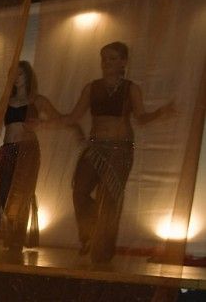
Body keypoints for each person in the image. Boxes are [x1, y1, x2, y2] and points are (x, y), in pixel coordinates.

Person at [62, 41, 173, 263]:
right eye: (104, 58)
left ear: (123, 62)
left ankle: (102, 253)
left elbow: (141, 118)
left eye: (112, 58)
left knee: (109, 199)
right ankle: (90, 233)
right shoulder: (91, 87)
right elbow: (73, 117)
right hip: (95, 147)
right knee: (80, 191)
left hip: (119, 149)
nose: (106, 63)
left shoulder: (131, 88)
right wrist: (45, 122)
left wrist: (160, 113)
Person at [0, 61, 61, 252]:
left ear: (27, 76)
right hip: (7, 149)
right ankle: (10, 235)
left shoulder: (37, 100)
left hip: (28, 150)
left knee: (22, 193)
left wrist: (41, 124)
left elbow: (58, 119)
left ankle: (17, 239)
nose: (16, 78)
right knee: (6, 192)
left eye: (20, 74)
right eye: (13, 74)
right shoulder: (6, 101)